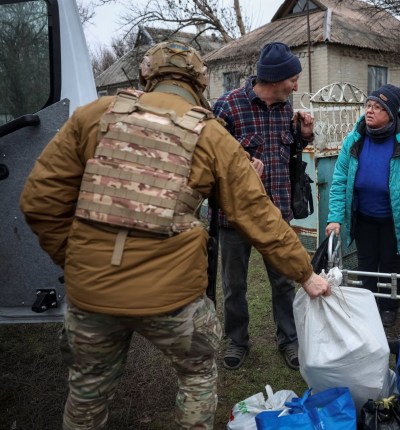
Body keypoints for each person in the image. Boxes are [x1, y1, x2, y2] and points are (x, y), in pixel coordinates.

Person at [19, 41, 330, 430]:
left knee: (86, 390)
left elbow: (39, 200)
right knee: (197, 375)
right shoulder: (211, 132)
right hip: (172, 297)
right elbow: (255, 212)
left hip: (93, 291)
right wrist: (306, 272)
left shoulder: (94, 116)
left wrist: (76, 258)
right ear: (199, 82)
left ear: (146, 76)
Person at [212, 41, 314, 371]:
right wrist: (241, 170)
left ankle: (289, 339)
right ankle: (237, 340)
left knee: (284, 280)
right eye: (293, 79)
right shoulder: (227, 107)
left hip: (277, 212)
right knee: (234, 285)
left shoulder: (286, 108)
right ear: (275, 79)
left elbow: (286, 152)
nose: (296, 86)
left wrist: (303, 136)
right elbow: (210, 161)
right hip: (235, 217)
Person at [325, 84, 400, 327]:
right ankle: (367, 305)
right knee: (365, 264)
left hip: (392, 220)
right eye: (368, 106)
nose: (370, 111)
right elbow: (339, 181)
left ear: (392, 113)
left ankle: (389, 307)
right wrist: (335, 217)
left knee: (390, 265)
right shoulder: (355, 140)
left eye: (377, 107)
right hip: (362, 216)